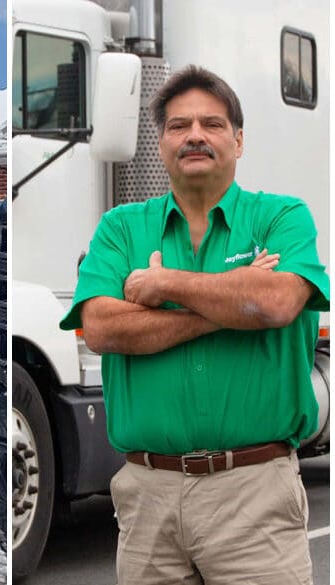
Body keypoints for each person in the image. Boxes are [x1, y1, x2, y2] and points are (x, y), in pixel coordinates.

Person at [60, 66, 329, 585]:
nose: (196, 136)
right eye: (179, 126)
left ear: (239, 139)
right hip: (147, 499)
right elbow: (101, 327)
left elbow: (276, 302)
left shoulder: (282, 217)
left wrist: (165, 287)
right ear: (161, 143)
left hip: (255, 493)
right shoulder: (120, 228)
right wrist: (226, 307)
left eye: (213, 123)